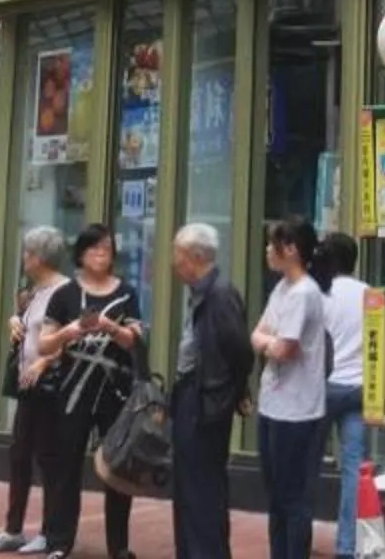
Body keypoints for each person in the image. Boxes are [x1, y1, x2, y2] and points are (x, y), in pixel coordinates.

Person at [38, 221, 146, 559]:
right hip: (73, 390)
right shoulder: (65, 294)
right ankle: (59, 541)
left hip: (114, 391)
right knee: (65, 466)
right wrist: (69, 332)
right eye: (95, 249)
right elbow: (44, 344)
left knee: (116, 469)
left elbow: (135, 339)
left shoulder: (125, 292)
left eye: (107, 249)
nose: (103, 255)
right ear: (81, 254)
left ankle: (119, 546)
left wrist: (111, 327)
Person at [0, 227, 70, 554]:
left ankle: (49, 530)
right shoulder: (34, 291)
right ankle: (13, 528)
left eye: (26, 253)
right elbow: (25, 324)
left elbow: (71, 339)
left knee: (48, 458)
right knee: (19, 455)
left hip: (50, 386)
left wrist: (44, 363)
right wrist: (13, 321)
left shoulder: (65, 292)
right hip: (27, 385)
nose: (24, 259)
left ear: (38, 258)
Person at [166, 222, 251, 559]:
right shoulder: (203, 294)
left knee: (202, 489)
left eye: (179, 256)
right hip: (193, 396)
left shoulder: (220, 295)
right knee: (188, 485)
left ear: (196, 257)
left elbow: (241, 351)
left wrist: (231, 392)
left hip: (206, 400)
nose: (175, 264)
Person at [250, 219, 332, 559]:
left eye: (274, 244)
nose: (268, 251)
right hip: (272, 404)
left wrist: (267, 343)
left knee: (293, 498)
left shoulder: (304, 293)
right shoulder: (282, 288)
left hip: (298, 411)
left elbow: (285, 348)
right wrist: (270, 342)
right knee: (276, 496)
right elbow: (259, 334)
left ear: (292, 249)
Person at [320, 234, 369, 559]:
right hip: (358, 389)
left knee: (305, 464)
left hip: (321, 389)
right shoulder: (369, 293)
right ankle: (347, 546)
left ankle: (295, 537)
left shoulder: (317, 294)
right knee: (354, 468)